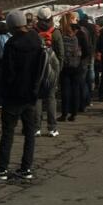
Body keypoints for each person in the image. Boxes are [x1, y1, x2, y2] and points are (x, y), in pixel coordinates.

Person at [0, 10, 44, 182]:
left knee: (8, 133)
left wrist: (1, 92)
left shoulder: (12, 44)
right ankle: (26, 167)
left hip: (14, 94)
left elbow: (7, 73)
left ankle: (2, 167)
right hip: (32, 93)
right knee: (30, 132)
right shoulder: (36, 39)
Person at [35, 7, 63, 136]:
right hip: (52, 70)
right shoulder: (56, 33)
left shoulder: (34, 32)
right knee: (51, 98)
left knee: (38, 98)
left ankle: (36, 127)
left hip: (38, 69)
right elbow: (61, 54)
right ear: (51, 18)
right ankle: (52, 128)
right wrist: (58, 70)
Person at [59, 12, 87, 121]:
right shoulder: (80, 32)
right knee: (76, 89)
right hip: (77, 65)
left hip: (65, 65)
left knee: (65, 90)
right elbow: (86, 50)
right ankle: (74, 113)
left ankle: (64, 113)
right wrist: (80, 59)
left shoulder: (61, 32)